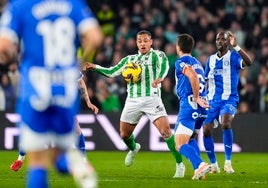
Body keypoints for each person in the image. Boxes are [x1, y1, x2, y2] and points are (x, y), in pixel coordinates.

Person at [0, 0, 103, 188]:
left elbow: (3, 46)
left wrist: (13, 58)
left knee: (37, 160)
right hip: (64, 91)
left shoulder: (20, 6)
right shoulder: (73, 5)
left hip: (36, 90)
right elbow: (95, 37)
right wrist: (81, 60)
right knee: (59, 154)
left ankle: (70, 163)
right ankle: (76, 165)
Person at [84, 30, 186, 178]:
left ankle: (179, 164)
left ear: (151, 42)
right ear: (137, 43)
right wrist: (95, 66)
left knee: (166, 132)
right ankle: (133, 148)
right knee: (124, 135)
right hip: (133, 100)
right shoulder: (129, 60)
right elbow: (112, 71)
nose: (143, 43)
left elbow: (164, 67)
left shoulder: (158, 55)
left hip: (152, 98)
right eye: (140, 41)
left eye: (145, 40)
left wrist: (159, 78)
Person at [10, 74, 99, 172]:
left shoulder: (67, 62)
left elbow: (80, 82)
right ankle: (20, 159)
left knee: (76, 129)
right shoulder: (41, 64)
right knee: (30, 129)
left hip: (61, 102)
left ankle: (83, 161)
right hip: (42, 102)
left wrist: (88, 102)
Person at [202, 31, 253, 174]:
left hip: (229, 98)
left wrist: (236, 46)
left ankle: (228, 163)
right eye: (217, 39)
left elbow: (249, 62)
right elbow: (205, 80)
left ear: (228, 42)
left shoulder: (234, 56)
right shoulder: (210, 60)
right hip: (212, 100)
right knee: (206, 131)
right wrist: (202, 97)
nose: (219, 41)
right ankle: (213, 165)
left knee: (226, 122)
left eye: (223, 39)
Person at [173, 33, 211, 180]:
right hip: (202, 107)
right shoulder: (197, 61)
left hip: (190, 105)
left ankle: (200, 164)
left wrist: (195, 97)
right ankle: (199, 169)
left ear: (178, 47)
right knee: (190, 139)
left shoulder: (181, 61)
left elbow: (193, 76)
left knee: (179, 144)